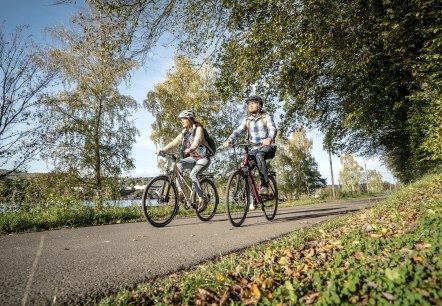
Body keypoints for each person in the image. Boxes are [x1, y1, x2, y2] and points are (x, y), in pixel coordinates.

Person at [223, 95, 277, 204]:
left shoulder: (266, 117)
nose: (250, 105)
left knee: (259, 155)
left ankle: (265, 185)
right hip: (254, 149)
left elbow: (272, 128)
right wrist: (229, 140)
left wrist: (269, 138)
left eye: (253, 103)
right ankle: (254, 198)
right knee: (245, 169)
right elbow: (238, 131)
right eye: (249, 104)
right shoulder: (246, 120)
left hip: (268, 147)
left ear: (259, 105)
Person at [156, 110, 211, 212]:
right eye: (181, 119)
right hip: (193, 158)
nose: (182, 121)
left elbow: (197, 141)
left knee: (193, 175)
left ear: (190, 119)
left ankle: (202, 199)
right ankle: (181, 192)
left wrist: (191, 149)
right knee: (178, 166)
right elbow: (175, 142)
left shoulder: (198, 129)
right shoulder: (184, 132)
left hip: (203, 158)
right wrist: (163, 150)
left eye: (184, 118)